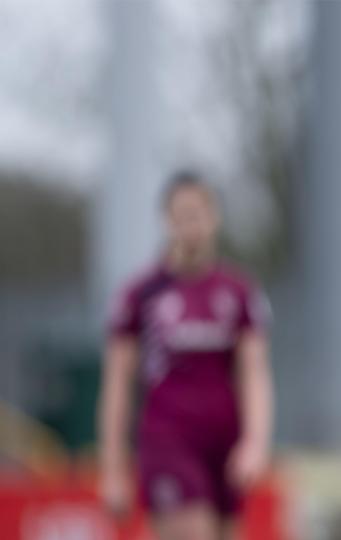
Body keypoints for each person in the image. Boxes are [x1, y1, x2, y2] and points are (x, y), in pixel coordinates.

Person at [97, 170, 274, 540]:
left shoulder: (239, 292)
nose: (190, 224)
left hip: (223, 447)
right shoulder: (141, 295)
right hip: (168, 441)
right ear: (166, 220)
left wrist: (255, 442)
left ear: (214, 217)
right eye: (181, 214)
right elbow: (116, 385)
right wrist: (113, 469)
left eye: (198, 213)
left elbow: (254, 374)